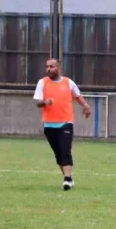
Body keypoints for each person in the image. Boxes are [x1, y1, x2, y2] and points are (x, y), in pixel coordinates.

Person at [33, 58, 91, 190]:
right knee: (58, 154)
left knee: (65, 151)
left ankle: (67, 179)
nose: (48, 69)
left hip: (66, 122)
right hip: (49, 125)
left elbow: (77, 95)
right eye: (47, 67)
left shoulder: (68, 82)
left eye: (51, 67)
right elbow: (37, 103)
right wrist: (45, 102)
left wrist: (85, 106)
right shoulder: (42, 83)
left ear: (58, 68)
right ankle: (68, 177)